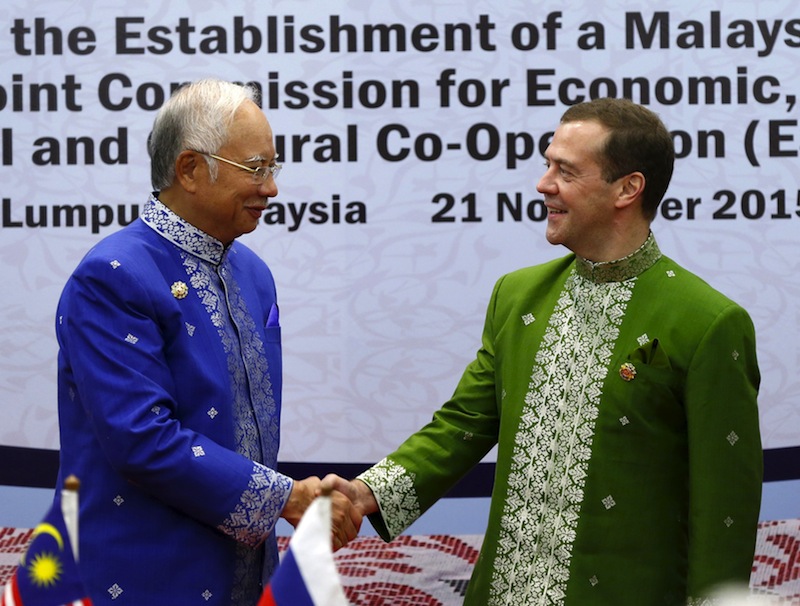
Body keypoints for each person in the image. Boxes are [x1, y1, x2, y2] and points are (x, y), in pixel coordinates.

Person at [323, 97, 763, 605]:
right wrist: (366, 493)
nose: (543, 183)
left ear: (628, 188)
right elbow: (463, 424)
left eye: (566, 171)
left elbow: (724, 510)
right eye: (546, 163)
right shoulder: (518, 296)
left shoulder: (707, 323)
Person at [53, 78, 360, 605]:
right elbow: (143, 438)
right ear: (191, 169)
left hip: (246, 568)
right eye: (256, 169)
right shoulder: (113, 275)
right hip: (144, 574)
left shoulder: (252, 272)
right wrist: (287, 498)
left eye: (274, 168)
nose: (272, 189)